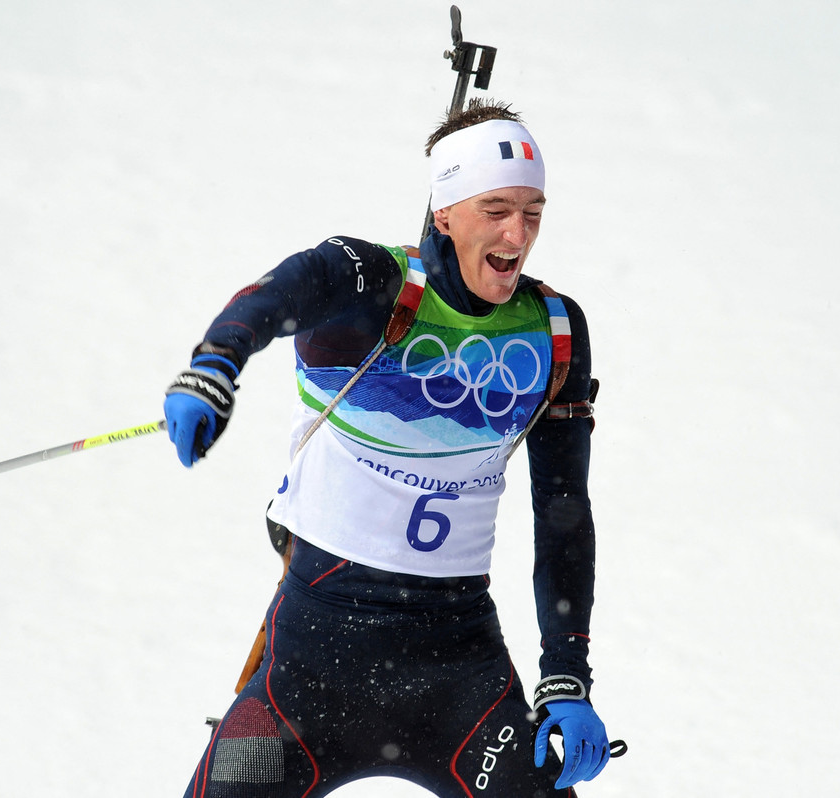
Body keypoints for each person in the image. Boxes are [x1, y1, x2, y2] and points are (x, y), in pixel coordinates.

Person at [163, 99, 610, 798]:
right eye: (495, 208)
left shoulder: (553, 328)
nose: (517, 232)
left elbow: (562, 510)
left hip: (457, 667)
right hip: (312, 654)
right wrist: (214, 364)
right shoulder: (366, 282)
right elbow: (276, 293)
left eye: (533, 210)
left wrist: (566, 677)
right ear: (444, 212)